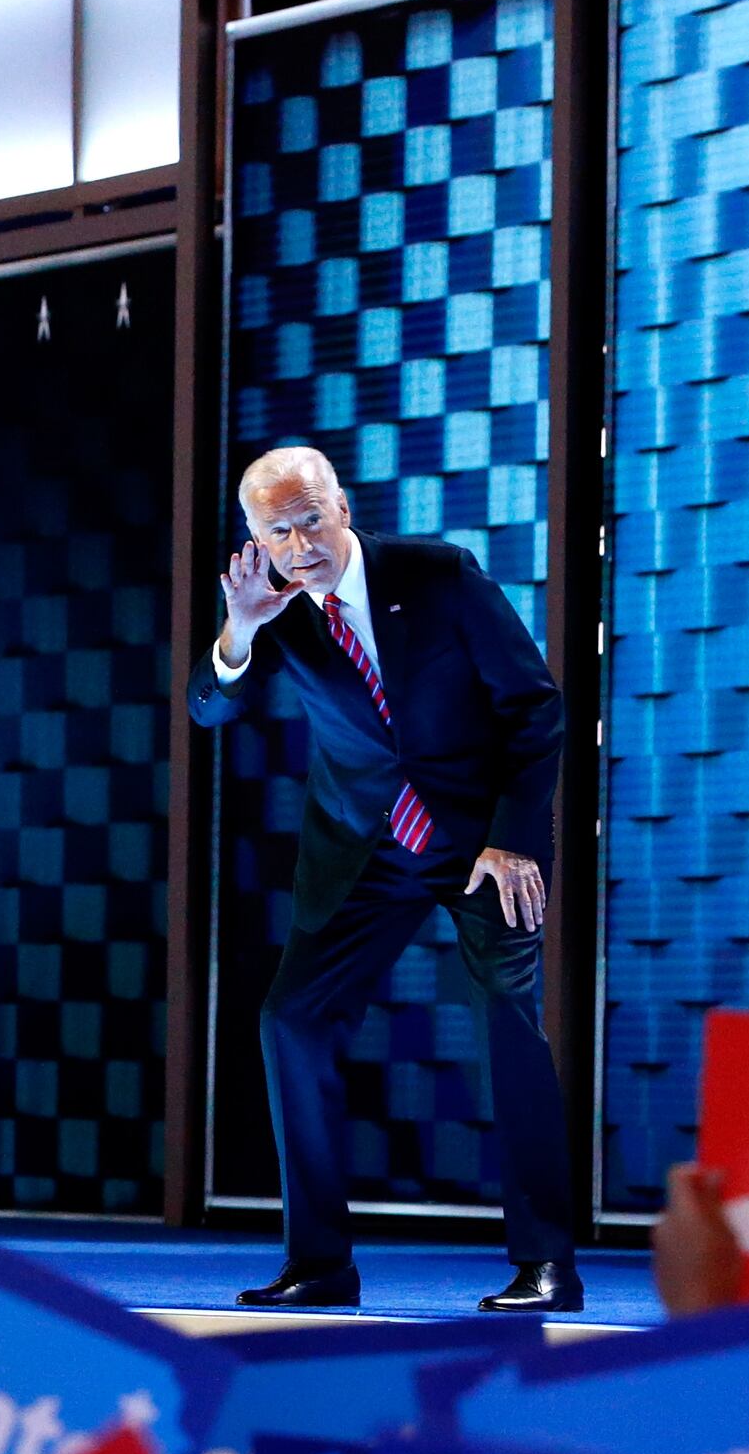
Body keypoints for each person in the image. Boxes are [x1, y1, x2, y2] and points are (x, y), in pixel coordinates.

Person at [188, 444, 570, 1313]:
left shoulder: (439, 575)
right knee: (292, 1017)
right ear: (256, 540)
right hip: (364, 847)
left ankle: (546, 1262)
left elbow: (535, 708)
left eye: (309, 520)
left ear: (343, 508)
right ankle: (319, 1264)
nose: (299, 544)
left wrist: (514, 839)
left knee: (510, 1020)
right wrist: (238, 629)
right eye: (276, 532)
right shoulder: (272, 611)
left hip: (478, 840)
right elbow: (207, 707)